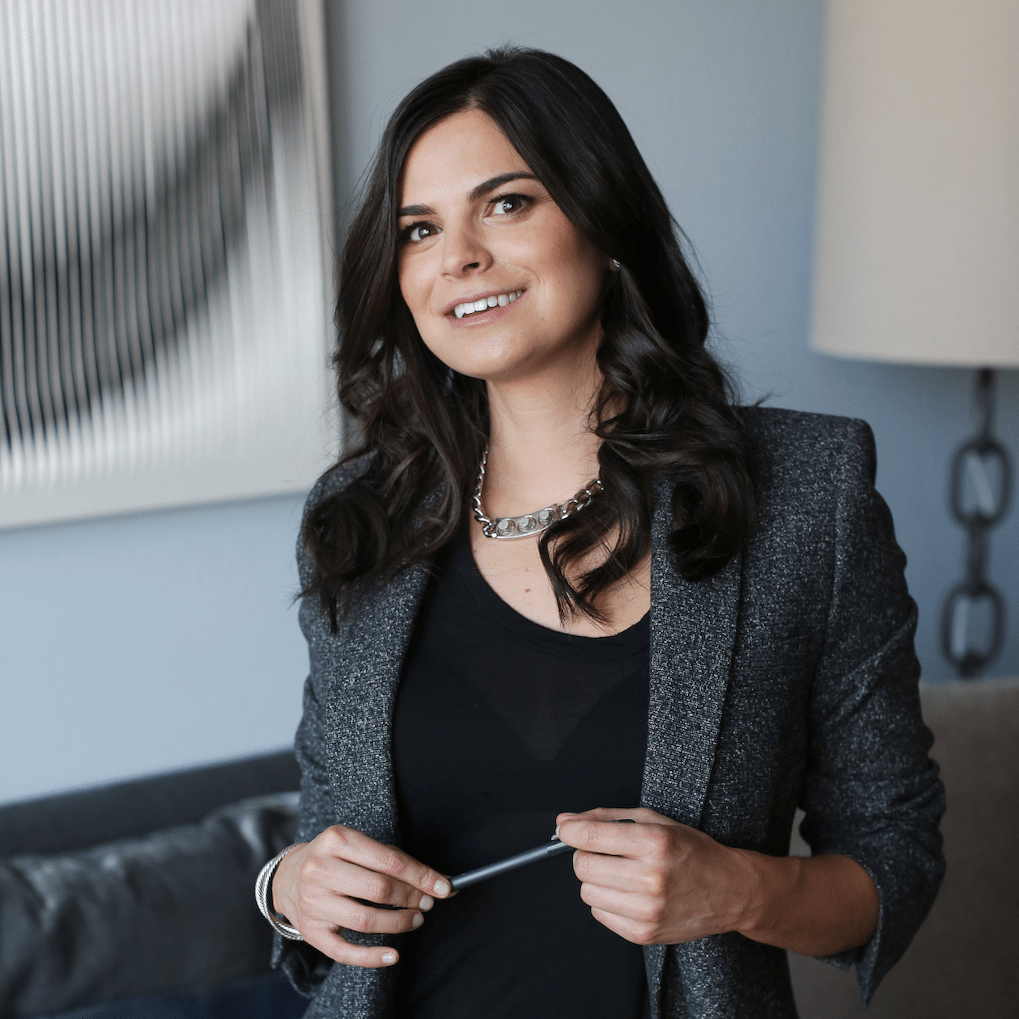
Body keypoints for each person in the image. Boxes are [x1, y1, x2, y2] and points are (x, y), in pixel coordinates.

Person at [259, 47, 945, 1019]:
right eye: (418, 228)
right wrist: (288, 889)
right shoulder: (359, 518)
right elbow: (328, 836)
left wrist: (739, 889)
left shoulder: (805, 492)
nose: (458, 255)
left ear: (604, 220)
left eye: (505, 203)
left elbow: (893, 853)